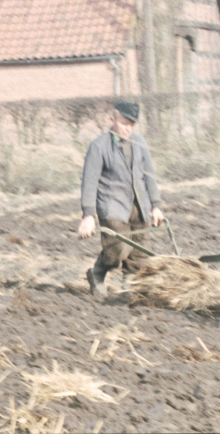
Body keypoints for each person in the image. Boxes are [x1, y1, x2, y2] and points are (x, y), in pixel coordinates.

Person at [78, 102, 164, 296]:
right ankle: (97, 272)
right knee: (118, 249)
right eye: (124, 123)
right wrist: (88, 215)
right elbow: (89, 182)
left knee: (140, 253)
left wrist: (155, 205)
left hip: (139, 205)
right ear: (112, 120)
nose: (128, 128)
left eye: (132, 124)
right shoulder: (99, 146)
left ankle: (129, 286)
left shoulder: (139, 142)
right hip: (112, 206)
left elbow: (149, 175)